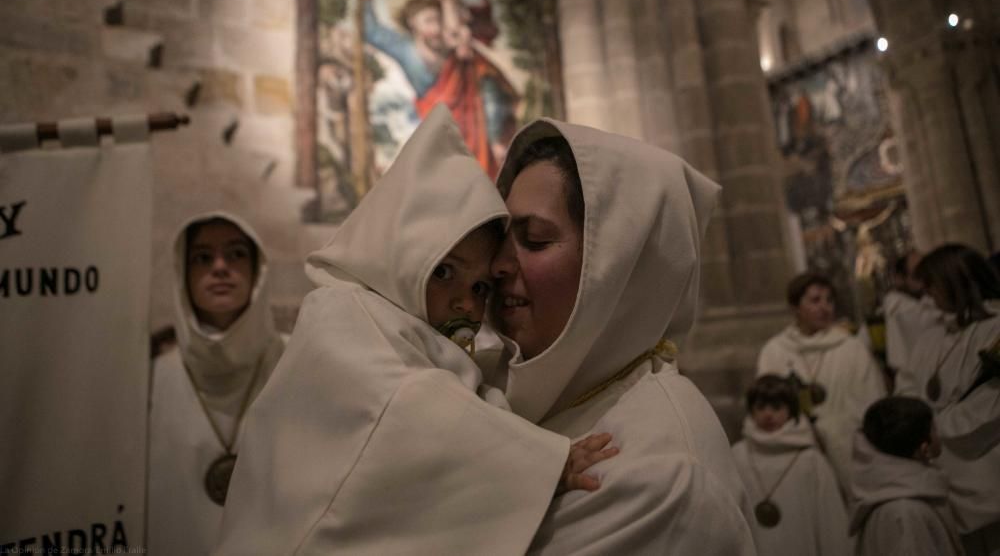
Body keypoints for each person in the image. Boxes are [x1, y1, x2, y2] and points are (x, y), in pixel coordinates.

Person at [215, 106, 614, 555]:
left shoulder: (435, 339)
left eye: (481, 286)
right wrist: (544, 463)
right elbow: (407, 408)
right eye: (445, 271)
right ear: (401, 253)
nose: (466, 301)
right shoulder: (341, 308)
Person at [482, 119, 755, 554]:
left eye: (533, 240)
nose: (496, 265)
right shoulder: (520, 398)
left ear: (617, 267)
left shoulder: (664, 477)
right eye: (500, 239)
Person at [147, 212, 285, 556]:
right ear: (184, 275)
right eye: (203, 258)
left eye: (236, 254)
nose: (220, 267)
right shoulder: (153, 376)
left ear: (257, 271)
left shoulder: (296, 359)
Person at [355, 0, 517, 177]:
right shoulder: (406, 50)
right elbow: (373, 31)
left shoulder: (458, 52)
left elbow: (490, 90)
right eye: (430, 21)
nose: (437, 28)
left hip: (474, 133)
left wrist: (496, 137)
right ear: (414, 24)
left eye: (440, 21)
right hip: (440, 134)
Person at [897, 244, 1000, 555]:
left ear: (956, 280)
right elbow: (907, 388)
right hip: (938, 464)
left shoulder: (995, 327)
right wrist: (912, 428)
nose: (928, 295)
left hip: (984, 459)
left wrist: (933, 429)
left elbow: (993, 401)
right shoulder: (931, 336)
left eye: (932, 284)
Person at [757, 272, 886, 495]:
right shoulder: (775, 351)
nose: (825, 307)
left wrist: (830, 430)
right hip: (796, 454)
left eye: (829, 300)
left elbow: (873, 404)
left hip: (850, 452)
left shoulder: (851, 348)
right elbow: (765, 404)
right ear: (795, 307)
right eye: (815, 300)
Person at [731, 375, 849, 556]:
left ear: (791, 410)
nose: (768, 414)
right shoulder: (738, 455)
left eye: (777, 407)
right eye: (761, 407)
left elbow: (830, 521)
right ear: (751, 410)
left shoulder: (810, 460)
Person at [850, 396, 964, 556]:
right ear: (924, 449)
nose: (938, 434)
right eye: (934, 429)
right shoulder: (906, 512)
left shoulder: (899, 499)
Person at [884, 250, 947, 379]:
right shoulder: (899, 308)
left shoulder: (929, 300)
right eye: (917, 274)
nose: (925, 279)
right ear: (900, 278)